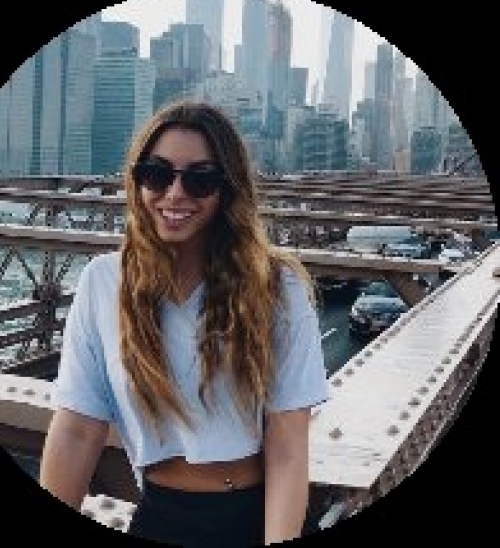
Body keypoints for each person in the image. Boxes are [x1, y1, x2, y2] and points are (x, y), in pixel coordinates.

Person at [39, 100, 330, 546]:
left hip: (256, 517)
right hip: (161, 514)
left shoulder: (277, 287)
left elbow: (289, 449)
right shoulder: (104, 281)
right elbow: (77, 430)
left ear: (227, 189)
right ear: (137, 181)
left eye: (200, 179)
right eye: (157, 174)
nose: (175, 194)